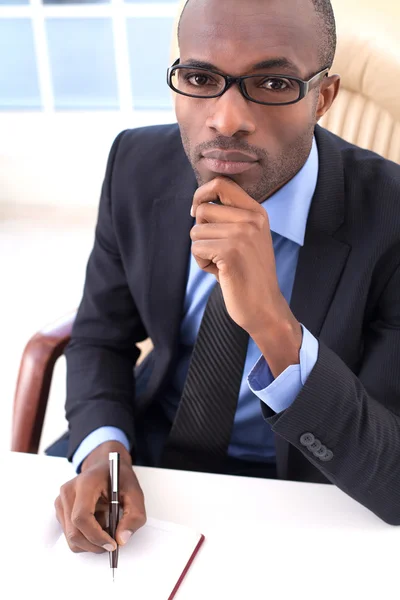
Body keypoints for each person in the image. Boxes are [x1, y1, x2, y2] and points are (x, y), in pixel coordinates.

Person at [53, 0, 400, 554]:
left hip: (309, 486)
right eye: (200, 78)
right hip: (149, 458)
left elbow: (393, 476)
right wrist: (104, 450)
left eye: (273, 82)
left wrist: (271, 322)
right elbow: (100, 336)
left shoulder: (391, 216)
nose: (226, 119)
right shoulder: (136, 164)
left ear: (323, 98)